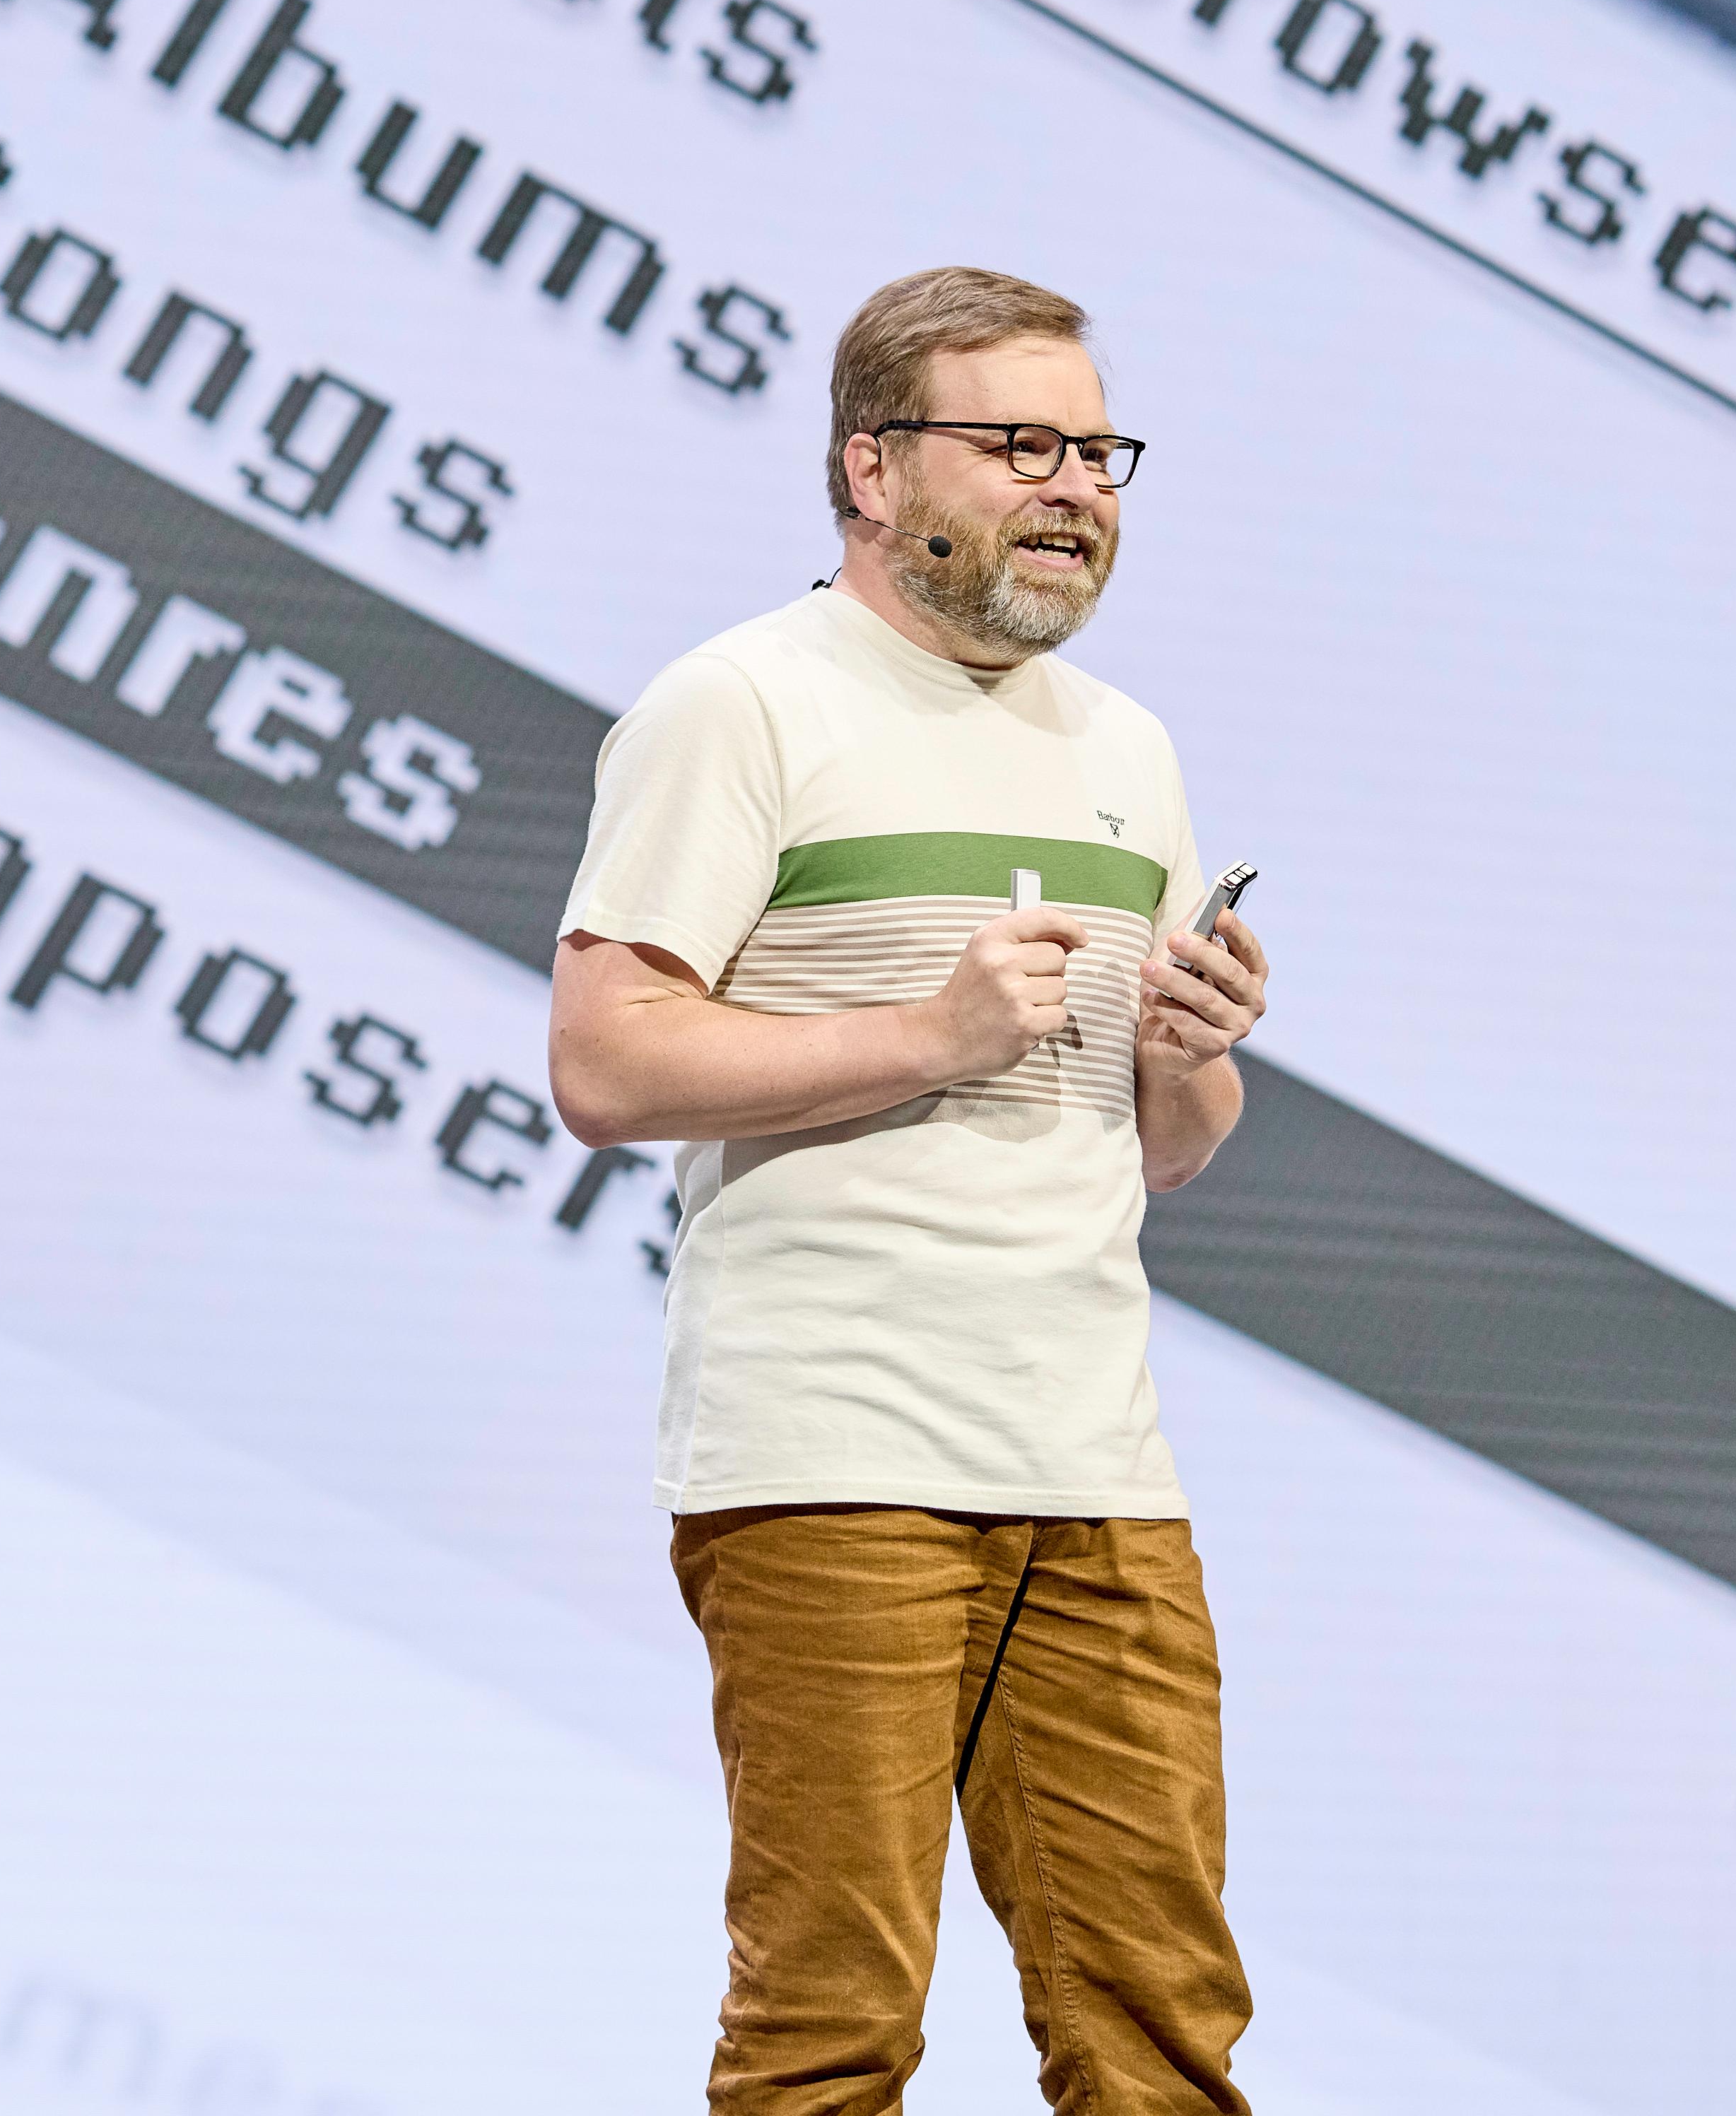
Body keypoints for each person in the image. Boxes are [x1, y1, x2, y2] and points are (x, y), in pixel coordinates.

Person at [548, 265, 1273, 2115]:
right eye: (1021, 442)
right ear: (872, 471)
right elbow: (606, 1062)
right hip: (830, 1457)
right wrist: (924, 1033)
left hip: (1095, 1470)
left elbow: (1169, 1143)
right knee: (832, 2038)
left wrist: (1189, 1042)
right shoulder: (744, 704)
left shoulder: (1126, 751)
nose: (1075, 487)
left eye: (1101, 450)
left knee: (1166, 2037)